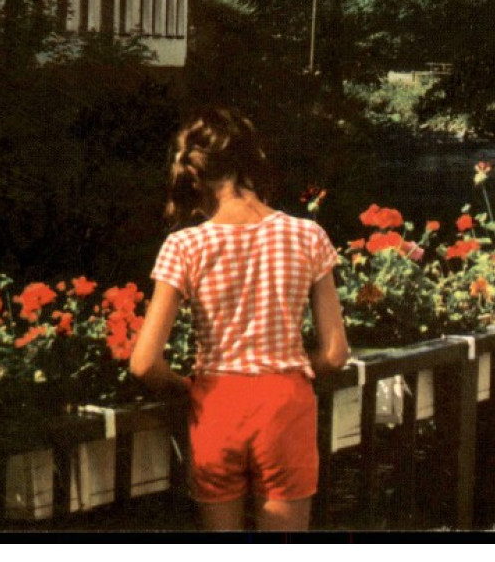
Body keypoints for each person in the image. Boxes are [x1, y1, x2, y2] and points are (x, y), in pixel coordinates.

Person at [130, 107, 350, 533]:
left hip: (216, 406)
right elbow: (336, 354)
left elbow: (143, 363)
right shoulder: (308, 236)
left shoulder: (185, 246)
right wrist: (292, 372)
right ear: (252, 161)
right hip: (286, 405)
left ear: (195, 173)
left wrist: (186, 388)